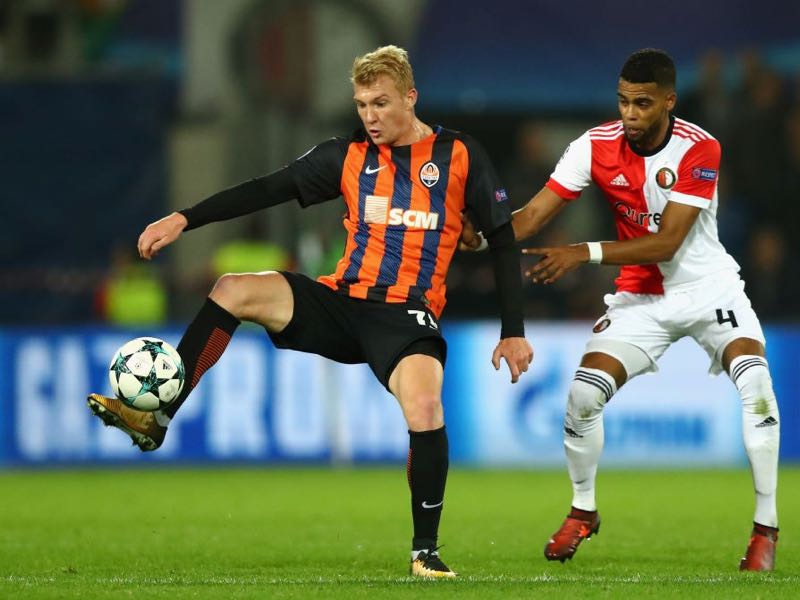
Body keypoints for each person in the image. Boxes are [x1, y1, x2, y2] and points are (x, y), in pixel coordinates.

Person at [87, 45, 534, 578]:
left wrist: (512, 330)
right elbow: (264, 190)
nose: (370, 116)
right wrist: (186, 217)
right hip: (340, 303)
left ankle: (424, 552)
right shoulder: (345, 157)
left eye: (382, 103)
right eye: (362, 104)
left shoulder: (460, 155)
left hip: (404, 316)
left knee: (426, 410)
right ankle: (157, 416)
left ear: (411, 98)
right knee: (232, 288)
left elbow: (504, 243)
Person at [464, 48, 780, 571]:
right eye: (622, 102)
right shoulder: (595, 146)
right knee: (583, 396)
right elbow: (532, 216)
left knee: (757, 388)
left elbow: (668, 243)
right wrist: (473, 241)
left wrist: (581, 253)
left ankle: (764, 529)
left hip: (708, 288)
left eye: (641, 103)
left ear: (668, 102)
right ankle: (582, 511)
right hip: (641, 296)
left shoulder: (699, 148)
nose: (629, 114)